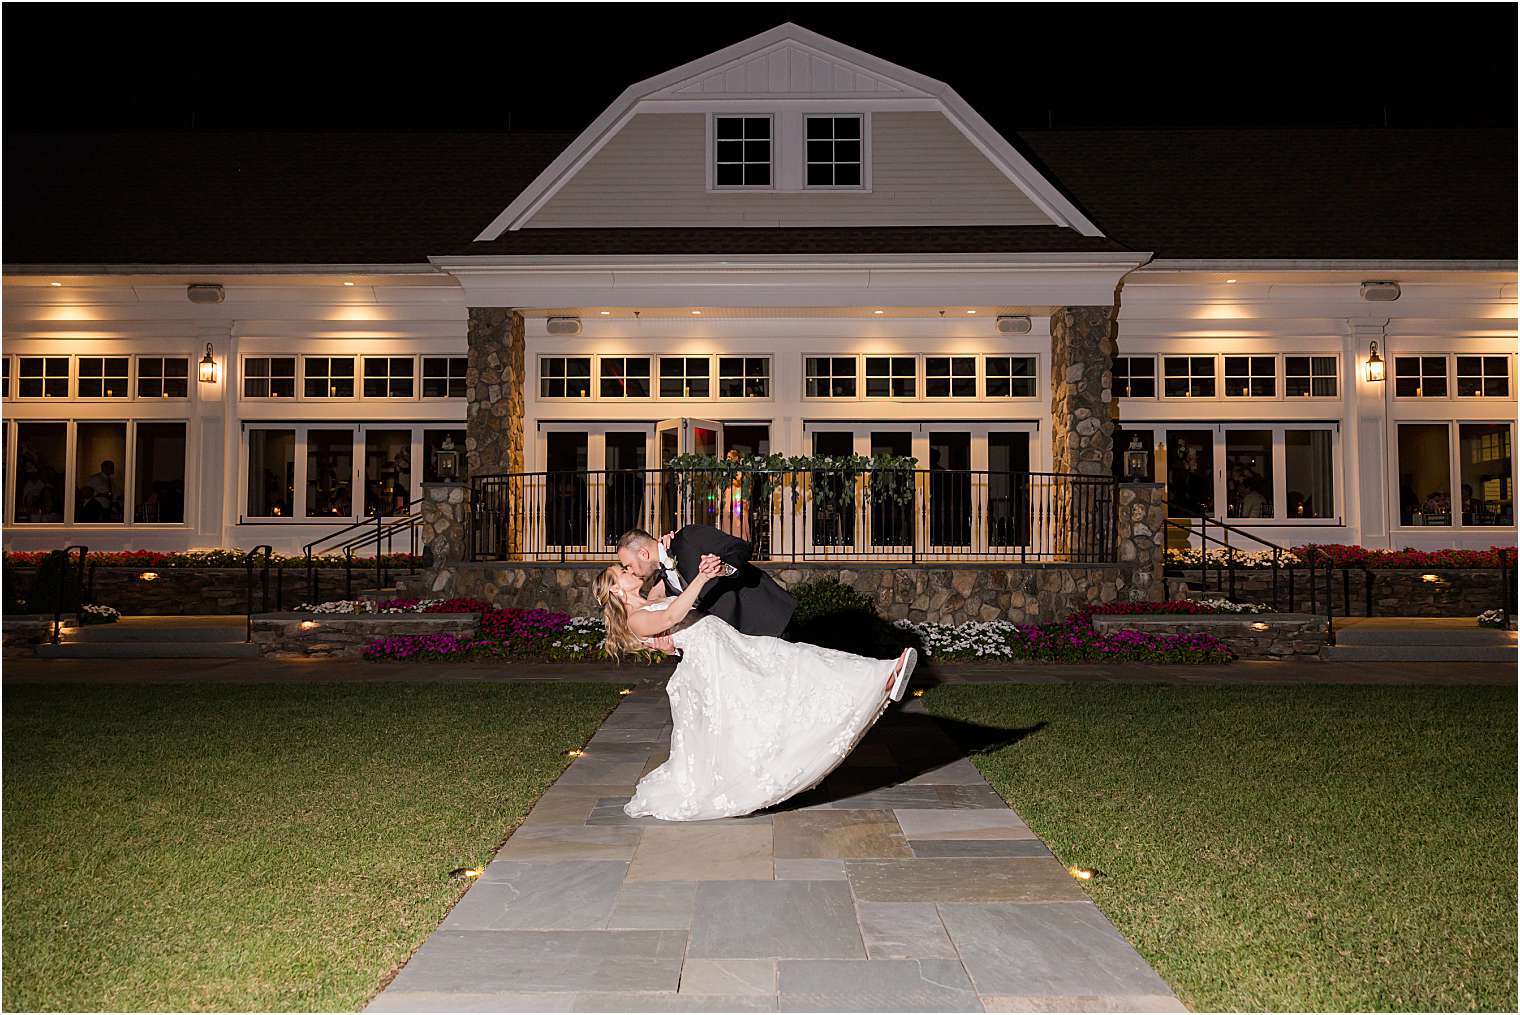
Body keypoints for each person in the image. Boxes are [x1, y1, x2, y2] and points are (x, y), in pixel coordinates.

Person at [594, 555, 917, 821]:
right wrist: (701, 580)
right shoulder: (636, 619)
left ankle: (883, 675)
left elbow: (672, 599)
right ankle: (880, 679)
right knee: (762, 710)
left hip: (735, 647)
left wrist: (670, 559)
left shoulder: (650, 598)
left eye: (624, 566)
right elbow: (673, 614)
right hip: (716, 665)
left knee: (800, 661)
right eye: (620, 572)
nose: (628, 569)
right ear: (615, 591)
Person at [616, 524, 794, 638]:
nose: (630, 570)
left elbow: (740, 547)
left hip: (769, 620)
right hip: (743, 642)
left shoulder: (688, 537)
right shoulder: (665, 580)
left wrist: (724, 568)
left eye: (629, 565)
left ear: (643, 554)